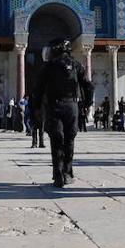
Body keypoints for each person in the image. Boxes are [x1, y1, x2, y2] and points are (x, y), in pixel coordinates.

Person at [31, 37, 94, 187]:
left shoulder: (49, 67)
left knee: (57, 140)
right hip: (72, 106)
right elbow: (88, 86)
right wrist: (87, 104)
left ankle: (58, 175)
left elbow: (38, 89)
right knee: (69, 140)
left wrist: (37, 107)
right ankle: (67, 173)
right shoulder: (76, 65)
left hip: (54, 106)